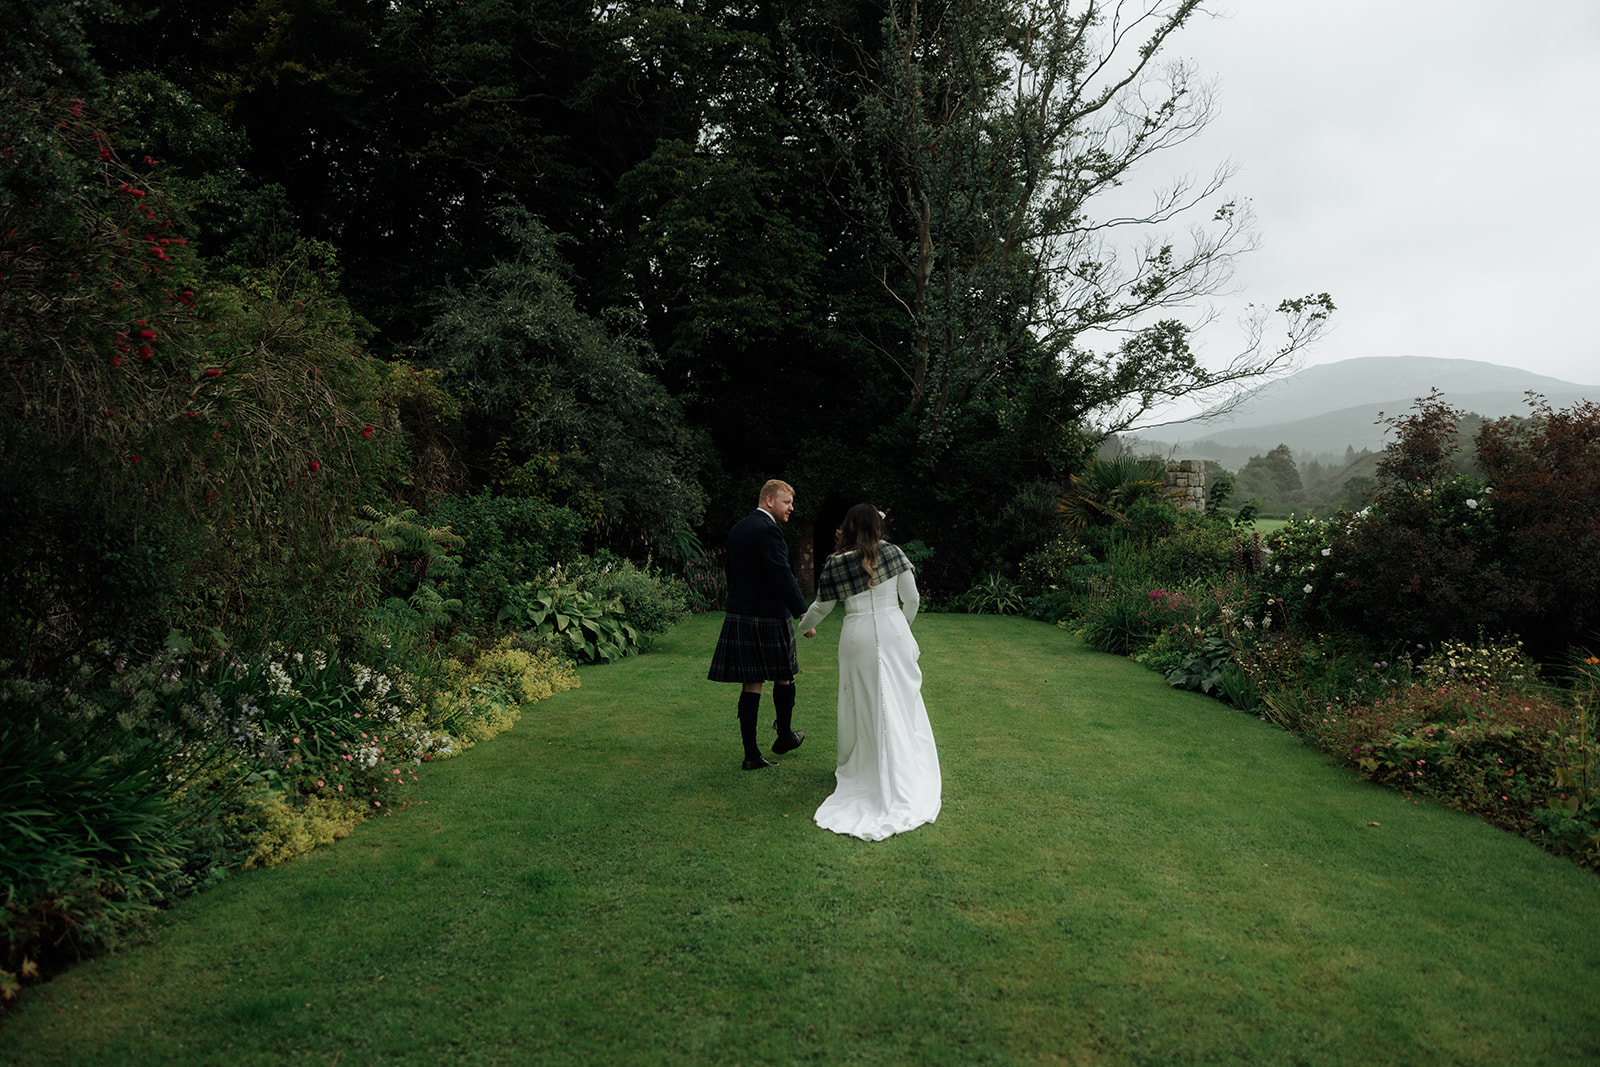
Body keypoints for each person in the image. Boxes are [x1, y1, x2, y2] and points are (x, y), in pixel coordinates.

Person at [796, 504, 940, 840]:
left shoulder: (836, 563)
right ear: (878, 526)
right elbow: (913, 600)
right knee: (899, 700)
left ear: (846, 528)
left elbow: (821, 607)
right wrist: (901, 629)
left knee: (860, 702)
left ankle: (866, 767)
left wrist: (804, 626)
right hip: (892, 631)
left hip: (856, 637)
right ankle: (900, 766)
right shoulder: (893, 553)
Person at [707, 479, 809, 770]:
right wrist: (802, 612)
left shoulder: (739, 528)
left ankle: (752, 754)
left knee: (751, 683)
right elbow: (782, 574)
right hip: (769, 617)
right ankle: (785, 736)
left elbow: (731, 572)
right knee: (785, 674)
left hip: (740, 615)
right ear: (769, 501)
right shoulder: (769, 531)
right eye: (787, 502)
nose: (791, 508)